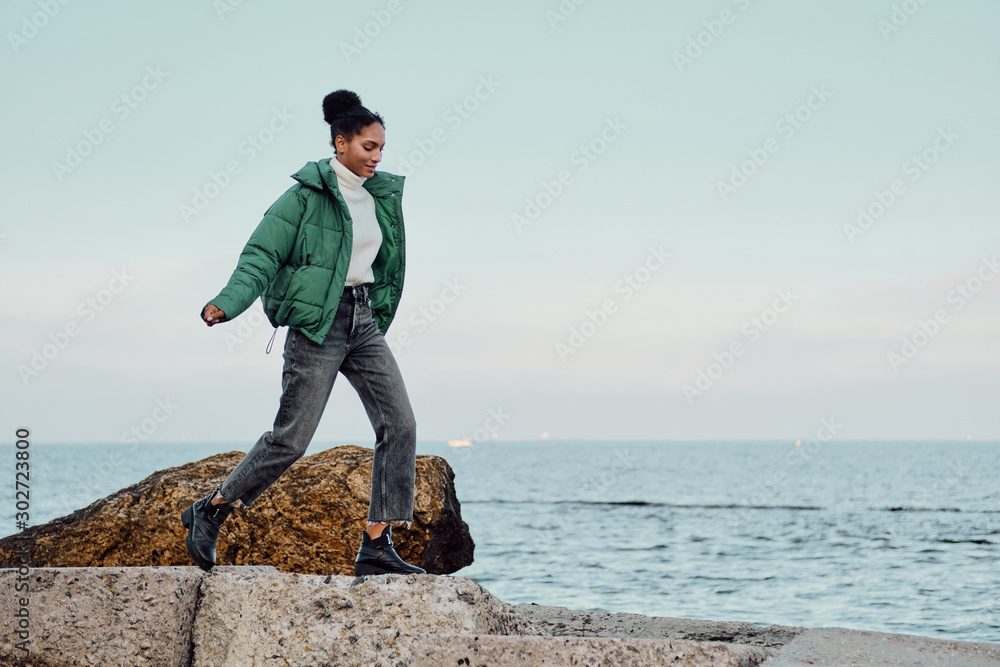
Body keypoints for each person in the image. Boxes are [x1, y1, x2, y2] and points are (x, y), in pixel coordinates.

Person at [181, 89, 424, 577]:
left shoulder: (379, 197)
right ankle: (213, 509)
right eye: (368, 147)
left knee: (400, 425)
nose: (377, 157)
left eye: (381, 148)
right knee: (291, 439)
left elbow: (384, 264)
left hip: (364, 322)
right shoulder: (303, 197)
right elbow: (261, 255)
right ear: (340, 143)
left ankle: (376, 544)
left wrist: (374, 308)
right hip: (319, 326)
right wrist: (227, 302)